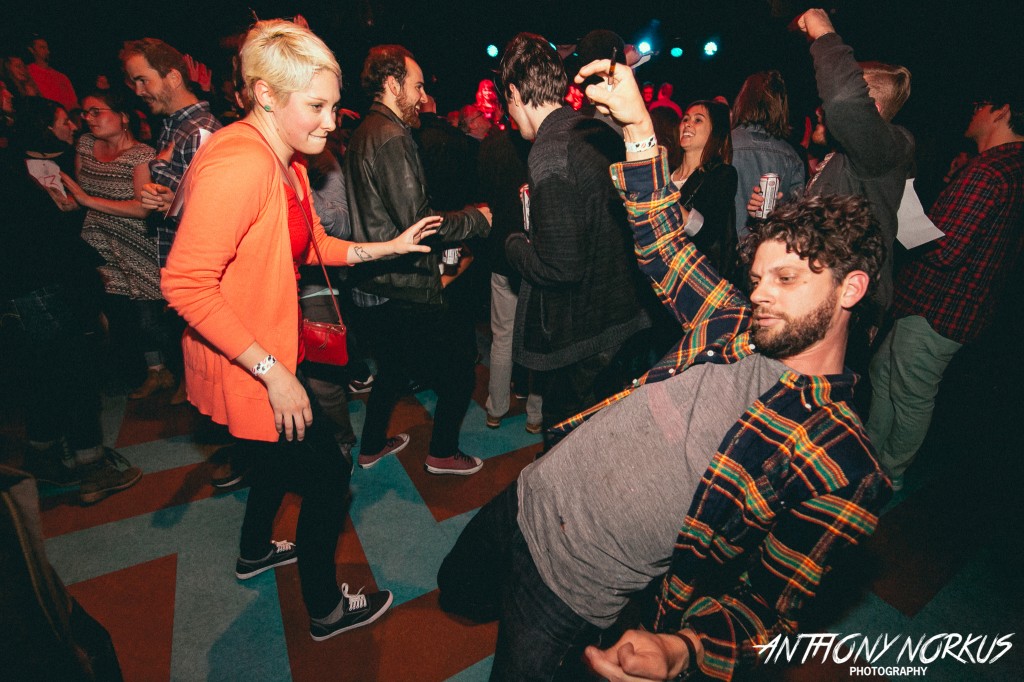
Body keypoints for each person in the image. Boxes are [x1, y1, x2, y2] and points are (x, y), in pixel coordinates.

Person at [438, 55, 891, 682]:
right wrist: (637, 127)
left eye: (786, 279)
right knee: (454, 591)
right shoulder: (736, 321)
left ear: (850, 289)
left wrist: (680, 649)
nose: (761, 293)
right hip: (531, 493)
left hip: (575, 588)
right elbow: (662, 239)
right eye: (758, 277)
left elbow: (765, 609)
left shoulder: (841, 461)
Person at [160, 19, 440, 641]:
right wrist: (272, 373)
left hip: (270, 352)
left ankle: (255, 550)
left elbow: (311, 243)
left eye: (334, 104)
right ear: (264, 95)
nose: (330, 120)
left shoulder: (282, 158)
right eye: (316, 105)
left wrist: (387, 247)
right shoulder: (240, 165)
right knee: (328, 476)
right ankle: (326, 609)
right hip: (255, 362)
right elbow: (183, 283)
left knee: (275, 460)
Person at [499, 33, 652, 451]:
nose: (510, 118)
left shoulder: (549, 153)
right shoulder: (592, 129)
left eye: (506, 105)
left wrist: (512, 244)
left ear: (513, 92)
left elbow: (561, 267)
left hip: (583, 340)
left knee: (568, 460)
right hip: (619, 319)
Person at [345, 44, 492, 475]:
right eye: (417, 86)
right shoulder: (391, 137)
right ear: (393, 85)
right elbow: (420, 224)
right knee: (460, 370)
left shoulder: (369, 129)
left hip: (381, 280)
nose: (423, 97)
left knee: (392, 368)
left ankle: (372, 444)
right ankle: (442, 453)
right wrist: (476, 219)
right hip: (406, 282)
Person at [867, 90, 1024, 491]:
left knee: (911, 396)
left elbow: (944, 249)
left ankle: (889, 475)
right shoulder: (1010, 167)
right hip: (957, 305)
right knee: (885, 373)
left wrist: (900, 194)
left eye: (980, 105)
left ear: (1002, 112)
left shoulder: (988, 172)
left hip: (938, 307)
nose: (972, 111)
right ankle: (871, 457)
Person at [2, 96, 143, 505]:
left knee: (41, 377)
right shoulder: (22, 176)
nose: (74, 125)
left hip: (17, 295)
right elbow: (44, 242)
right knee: (75, 376)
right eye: (65, 119)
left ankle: (41, 457)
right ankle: (93, 470)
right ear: (46, 128)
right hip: (42, 289)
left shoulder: (17, 166)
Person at [750, 8, 913, 317]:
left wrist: (824, 34)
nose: (820, 111)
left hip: (845, 311)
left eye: (825, 105)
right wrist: (776, 213)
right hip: (814, 300)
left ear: (870, 112)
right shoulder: (844, 159)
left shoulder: (891, 147)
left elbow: (842, 101)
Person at [56, 90, 177, 400]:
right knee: (121, 316)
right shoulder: (85, 145)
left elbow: (142, 207)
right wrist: (70, 203)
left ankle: (184, 370)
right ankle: (155, 372)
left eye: (97, 111)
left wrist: (86, 201)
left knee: (149, 317)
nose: (89, 119)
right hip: (99, 243)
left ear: (123, 117)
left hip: (138, 243)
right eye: (85, 113)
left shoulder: (142, 155)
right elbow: (82, 193)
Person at [671, 99, 740, 283]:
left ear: (714, 132)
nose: (687, 123)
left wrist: (666, 203)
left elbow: (707, 233)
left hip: (692, 280)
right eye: (685, 119)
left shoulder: (721, 174)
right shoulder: (667, 173)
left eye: (698, 120)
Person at [731, 70, 806, 238]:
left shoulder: (724, 144)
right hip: (767, 250)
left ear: (742, 100)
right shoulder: (791, 156)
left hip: (723, 256)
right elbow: (797, 218)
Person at [26, 37, 77, 111]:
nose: (47, 51)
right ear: (31, 50)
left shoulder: (61, 77)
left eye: (47, 48)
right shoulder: (27, 71)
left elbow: (74, 104)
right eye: (42, 48)